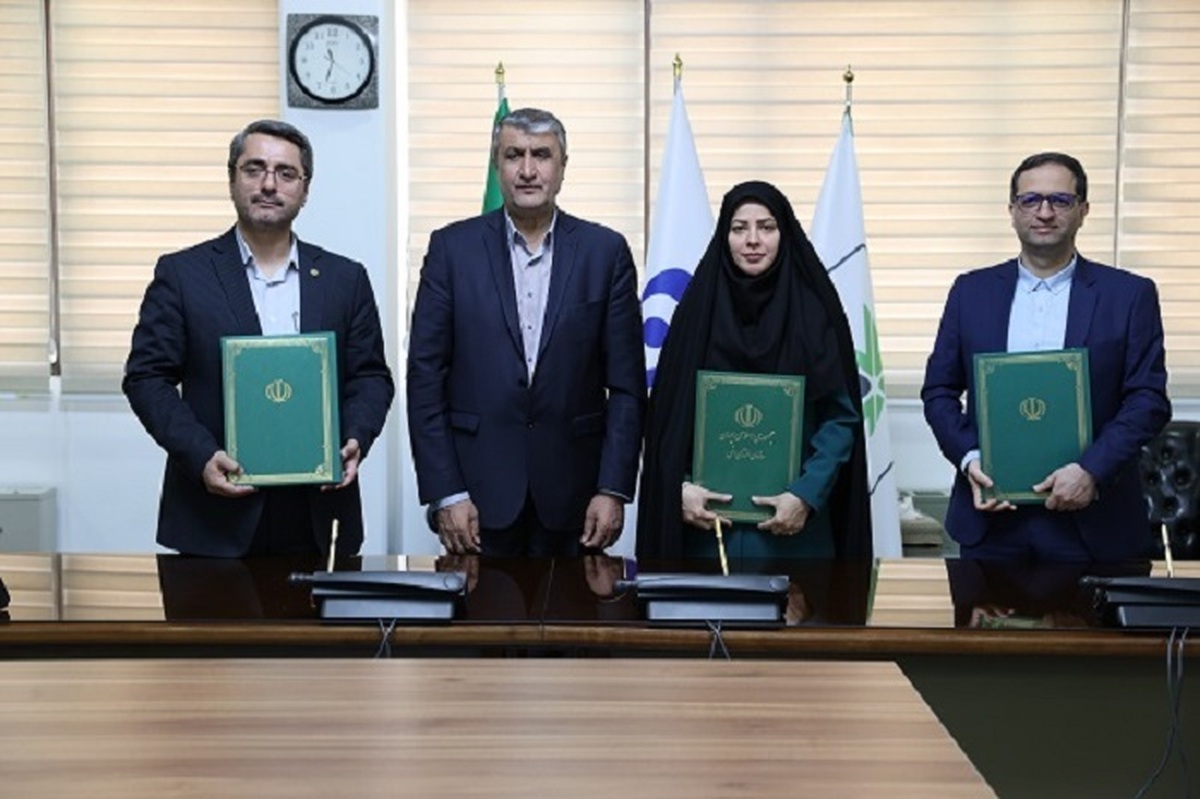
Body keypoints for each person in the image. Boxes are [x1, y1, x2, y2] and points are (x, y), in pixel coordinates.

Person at [123, 119, 395, 558]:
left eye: (286, 173)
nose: (269, 184)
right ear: (232, 178)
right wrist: (201, 455)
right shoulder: (182, 275)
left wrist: (354, 438)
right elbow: (146, 378)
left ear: (305, 190)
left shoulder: (345, 279)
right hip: (213, 517)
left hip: (319, 513)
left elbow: (371, 377)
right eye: (254, 169)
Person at [406, 107, 645, 556]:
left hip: (577, 498)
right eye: (514, 155)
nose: (528, 170)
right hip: (475, 497)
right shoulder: (451, 249)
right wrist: (446, 491)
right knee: (482, 605)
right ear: (497, 165)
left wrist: (613, 488)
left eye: (542, 155)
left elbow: (627, 387)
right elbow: (425, 377)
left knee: (575, 604)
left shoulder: (605, 252)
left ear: (563, 167)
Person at [922, 152, 1170, 561]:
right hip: (992, 522)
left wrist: (1091, 470)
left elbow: (1148, 399)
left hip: (1095, 524)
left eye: (1060, 200)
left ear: (1083, 210)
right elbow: (939, 391)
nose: (1044, 212)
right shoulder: (970, 292)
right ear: (1012, 211)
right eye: (1030, 200)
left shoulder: (1129, 295)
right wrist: (969, 458)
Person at [636, 180, 872, 563]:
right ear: (724, 236)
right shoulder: (697, 314)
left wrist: (805, 494)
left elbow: (841, 418)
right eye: (739, 228)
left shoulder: (814, 313)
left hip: (794, 533)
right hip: (705, 535)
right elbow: (667, 420)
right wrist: (678, 488)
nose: (752, 240)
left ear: (784, 234)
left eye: (766, 227)